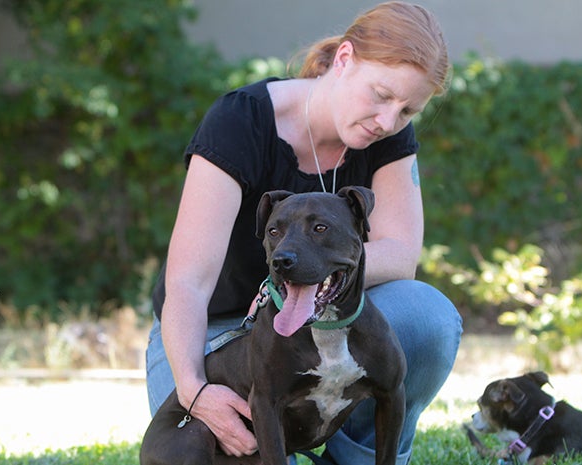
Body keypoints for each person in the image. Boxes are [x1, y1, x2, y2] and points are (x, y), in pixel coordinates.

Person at [145, 2, 462, 464]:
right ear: (345, 59)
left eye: (408, 110)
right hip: (218, 335)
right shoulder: (241, 122)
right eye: (381, 95)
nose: (388, 121)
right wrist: (193, 389)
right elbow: (188, 283)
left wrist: (318, 280)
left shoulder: (388, 135)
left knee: (427, 315)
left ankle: (355, 457)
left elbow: (400, 255)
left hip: (319, 317)